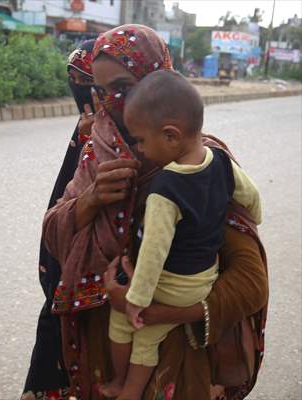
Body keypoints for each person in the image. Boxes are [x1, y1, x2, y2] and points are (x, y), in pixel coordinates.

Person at [40, 25, 268, 400]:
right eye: (101, 91)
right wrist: (92, 199)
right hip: (103, 354)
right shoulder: (96, 154)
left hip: (178, 359)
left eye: (123, 88)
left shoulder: (203, 166)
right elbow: (52, 237)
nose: (111, 101)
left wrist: (160, 313)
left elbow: (250, 284)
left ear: (157, 77)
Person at [100, 70, 262, 400]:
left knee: (136, 332)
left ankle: (125, 388)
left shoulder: (165, 189)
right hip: (202, 280)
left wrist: (137, 301)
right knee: (145, 334)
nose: (141, 150)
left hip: (171, 288)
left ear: (171, 136)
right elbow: (252, 197)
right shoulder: (220, 162)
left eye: (142, 141)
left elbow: (153, 253)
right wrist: (254, 219)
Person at [21, 39, 96, 400]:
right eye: (74, 78)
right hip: (67, 296)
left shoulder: (164, 142)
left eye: (88, 79)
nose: (80, 88)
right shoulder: (85, 131)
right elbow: (60, 213)